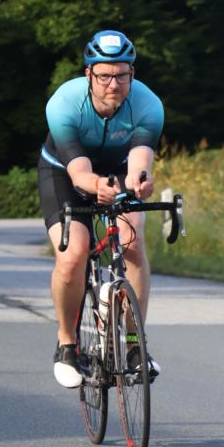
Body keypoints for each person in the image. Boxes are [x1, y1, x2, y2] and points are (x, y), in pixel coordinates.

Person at [38, 29, 164, 387]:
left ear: (132, 75)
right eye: (105, 75)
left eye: (122, 75)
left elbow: (140, 160)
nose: (114, 83)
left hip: (117, 173)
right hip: (64, 173)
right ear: (88, 74)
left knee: (133, 244)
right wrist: (97, 188)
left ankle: (135, 345)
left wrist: (140, 181)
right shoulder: (64, 103)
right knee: (73, 254)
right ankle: (67, 344)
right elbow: (79, 173)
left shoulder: (148, 105)